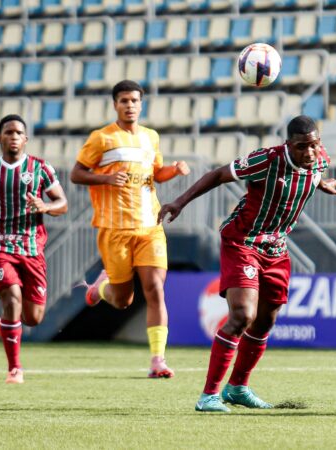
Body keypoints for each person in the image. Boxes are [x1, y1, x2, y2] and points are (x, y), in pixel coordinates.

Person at [158, 115, 336, 412]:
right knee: (242, 315)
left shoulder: (319, 160)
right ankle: (208, 396)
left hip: (278, 249)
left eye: (314, 145)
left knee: (265, 321)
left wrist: (322, 183)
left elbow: (309, 174)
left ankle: (238, 388)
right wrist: (179, 202)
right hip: (243, 242)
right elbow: (219, 175)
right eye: (302, 147)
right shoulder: (267, 160)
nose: (309, 152)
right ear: (288, 145)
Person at [71, 80, 190, 378]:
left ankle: (158, 360)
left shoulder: (151, 137)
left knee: (155, 289)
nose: (130, 105)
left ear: (141, 103)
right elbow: (76, 174)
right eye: (124, 100)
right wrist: (106, 180)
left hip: (150, 226)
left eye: (135, 100)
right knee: (123, 300)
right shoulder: (102, 138)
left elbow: (156, 174)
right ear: (115, 104)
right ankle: (99, 288)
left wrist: (173, 170)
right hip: (115, 229)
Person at [0, 114, 67, 384]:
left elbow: (62, 203)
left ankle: (8, 325)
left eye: (18, 132)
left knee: (33, 317)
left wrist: (45, 207)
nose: (13, 136)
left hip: (32, 247)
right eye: (8, 132)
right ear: (0, 138)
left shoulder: (41, 169)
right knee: (11, 297)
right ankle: (15, 368)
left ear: (26, 139)